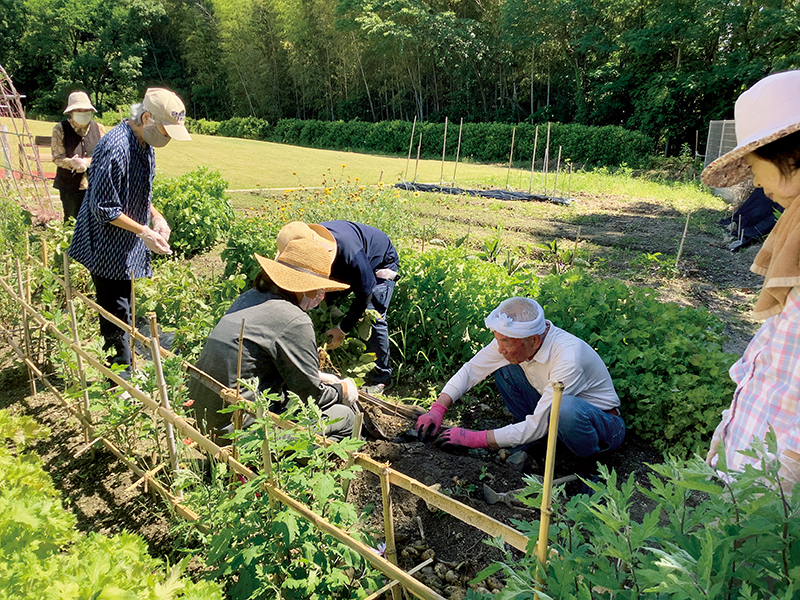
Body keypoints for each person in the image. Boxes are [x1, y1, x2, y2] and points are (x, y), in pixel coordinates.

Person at [702, 70, 800, 493]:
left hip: (777, 475)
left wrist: (787, 469)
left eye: (755, 166)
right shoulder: (793, 231)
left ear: (792, 154)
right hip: (756, 456)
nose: (756, 182)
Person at [188, 224, 358, 443]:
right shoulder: (294, 320)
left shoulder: (248, 298)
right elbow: (311, 398)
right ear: (304, 287)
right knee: (345, 418)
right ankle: (294, 468)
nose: (321, 296)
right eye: (319, 289)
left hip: (201, 418)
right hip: (237, 431)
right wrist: (342, 390)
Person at [68, 88, 191, 379]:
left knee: (126, 304)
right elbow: (104, 208)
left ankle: (126, 365)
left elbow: (139, 193)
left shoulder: (143, 143)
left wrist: (157, 218)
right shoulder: (116, 147)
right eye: (166, 129)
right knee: (115, 310)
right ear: (146, 117)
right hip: (106, 244)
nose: (169, 137)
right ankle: (120, 379)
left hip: (126, 239)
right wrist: (143, 231)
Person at [415, 297, 625, 462]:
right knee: (505, 369)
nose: (499, 348)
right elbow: (472, 370)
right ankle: (535, 442)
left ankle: (591, 465)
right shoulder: (518, 339)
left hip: (601, 425)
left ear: (533, 341)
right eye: (498, 340)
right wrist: (438, 409)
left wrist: (477, 438)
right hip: (553, 415)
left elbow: (539, 423)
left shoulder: (568, 357)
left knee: (564, 408)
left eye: (505, 342)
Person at [280, 220, 399, 394]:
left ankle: (382, 378)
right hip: (345, 263)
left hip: (380, 263)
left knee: (373, 315)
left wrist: (342, 329)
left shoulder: (350, 252)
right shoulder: (306, 241)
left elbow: (366, 292)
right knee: (322, 301)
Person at [50, 91, 106, 221]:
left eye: (85, 110)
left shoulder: (99, 128)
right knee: (71, 221)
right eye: (79, 110)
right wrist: (71, 163)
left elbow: (104, 155)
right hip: (69, 184)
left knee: (95, 221)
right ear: (71, 112)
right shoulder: (60, 128)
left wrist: (88, 162)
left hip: (95, 184)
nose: (83, 112)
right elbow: (57, 157)